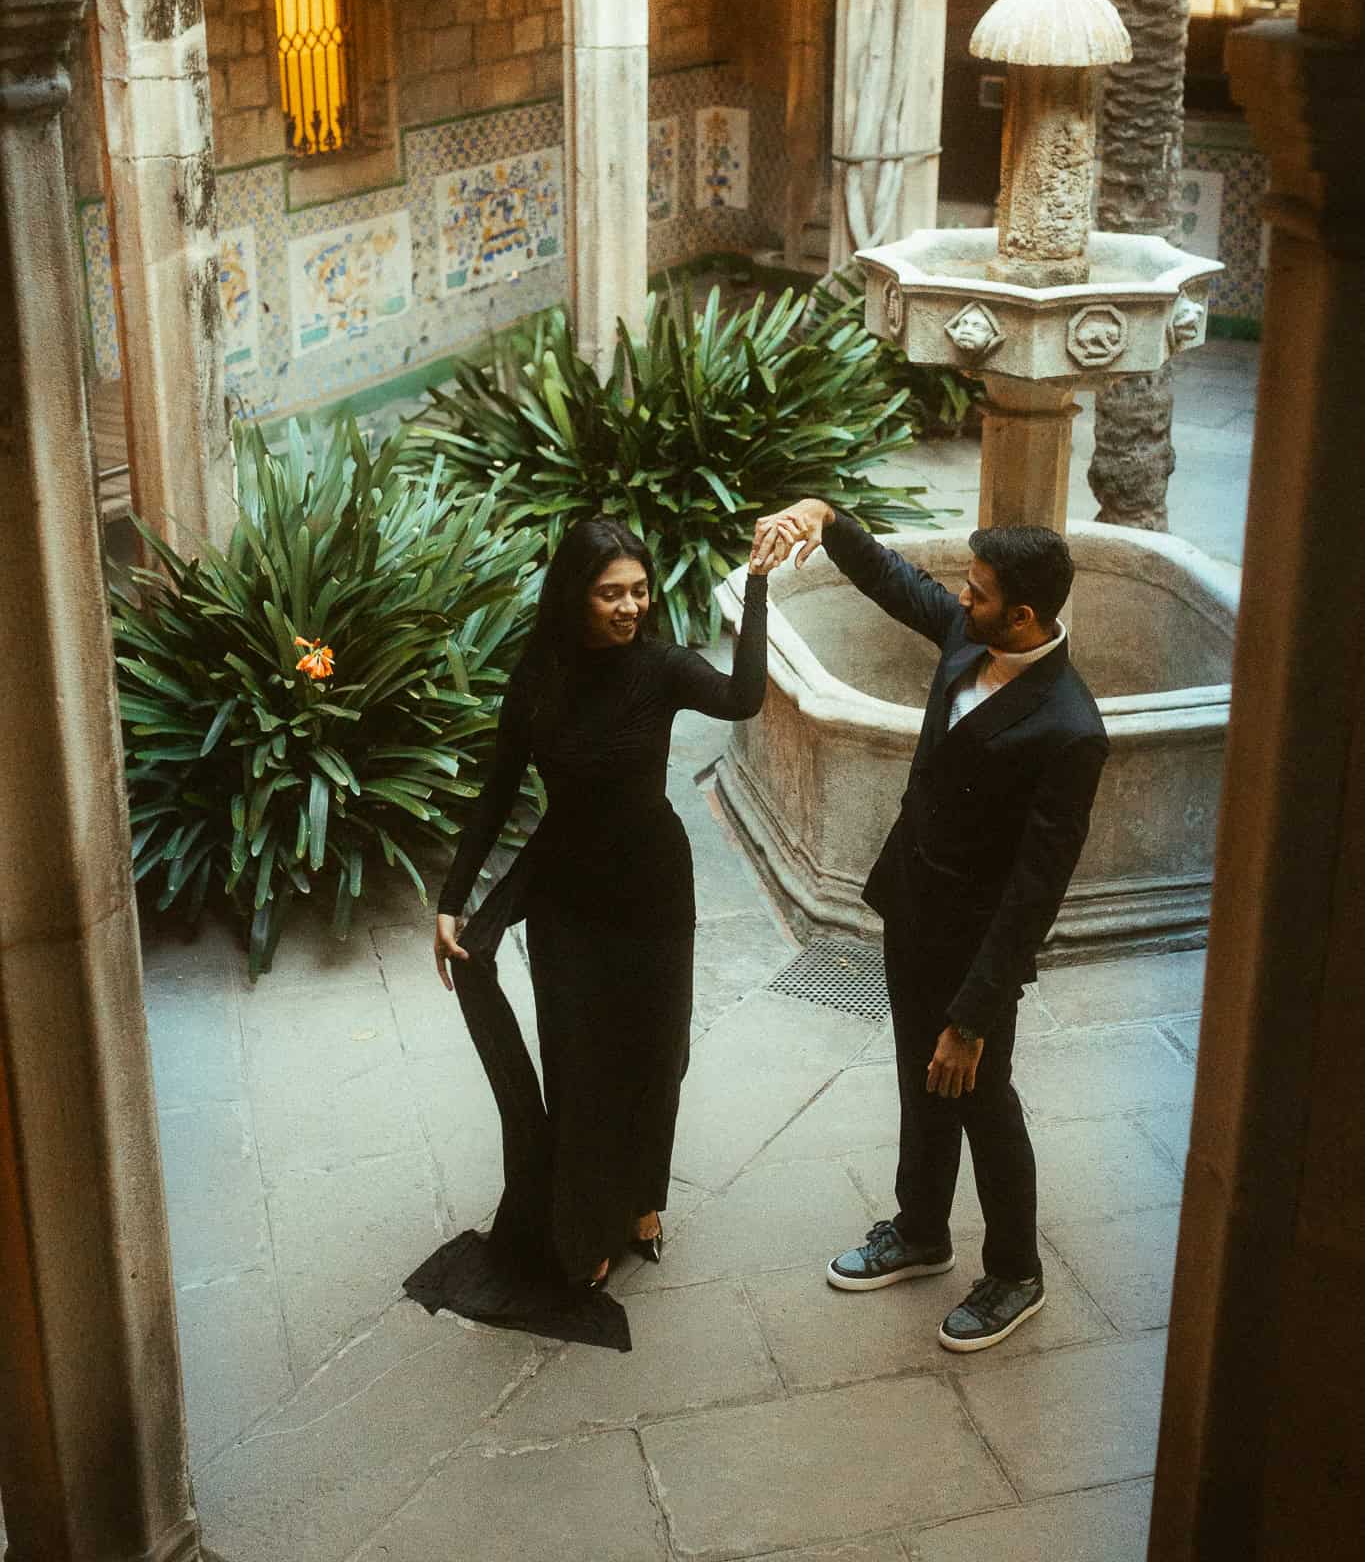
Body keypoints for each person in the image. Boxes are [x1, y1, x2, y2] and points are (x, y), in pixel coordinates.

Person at [751, 501, 1108, 1353]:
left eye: (978, 593)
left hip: (978, 946)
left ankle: (1016, 1272)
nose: (960, 597)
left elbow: (1035, 890)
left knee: (982, 1098)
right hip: (913, 907)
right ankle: (920, 1231)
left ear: (1024, 615)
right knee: (920, 1079)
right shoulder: (969, 638)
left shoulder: (1069, 728)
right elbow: (894, 583)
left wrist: (975, 1014)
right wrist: (824, 519)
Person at [410, 516, 772, 1345]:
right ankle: (584, 1228)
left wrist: (753, 587)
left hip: (651, 889)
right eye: (611, 592)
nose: (629, 607)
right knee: (579, 1062)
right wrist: (452, 897)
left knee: (656, 1054)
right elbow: (498, 790)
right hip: (567, 894)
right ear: (575, 595)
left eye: (639, 591)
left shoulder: (662, 667)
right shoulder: (538, 677)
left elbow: (741, 697)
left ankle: (642, 1199)